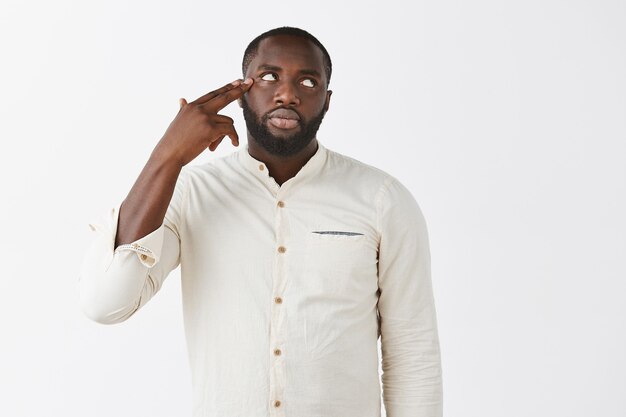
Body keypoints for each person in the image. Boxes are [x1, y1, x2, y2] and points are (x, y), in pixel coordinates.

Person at [79, 26, 443, 417]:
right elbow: (106, 304)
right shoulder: (190, 192)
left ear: (327, 100)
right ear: (241, 90)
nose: (288, 94)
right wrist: (167, 156)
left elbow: (411, 352)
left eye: (308, 81)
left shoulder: (382, 199)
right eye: (269, 76)